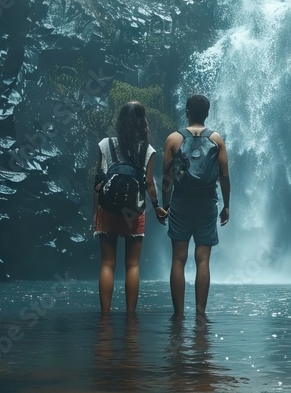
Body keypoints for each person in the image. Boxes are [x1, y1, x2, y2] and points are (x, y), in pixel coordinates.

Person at [158, 94, 230, 320]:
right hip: (207, 202)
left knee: (178, 258)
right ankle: (200, 314)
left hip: (181, 202)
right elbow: (225, 176)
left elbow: (167, 178)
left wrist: (166, 204)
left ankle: (178, 314)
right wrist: (226, 206)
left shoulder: (173, 139)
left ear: (187, 111)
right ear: (207, 113)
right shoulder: (217, 139)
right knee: (203, 259)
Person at [92, 101, 165, 315]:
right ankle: (130, 316)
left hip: (107, 209)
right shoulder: (147, 149)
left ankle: (105, 315)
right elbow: (149, 183)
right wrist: (157, 206)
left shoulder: (105, 144)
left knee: (107, 264)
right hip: (134, 211)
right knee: (132, 265)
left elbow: (99, 180)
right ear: (143, 122)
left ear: (120, 120)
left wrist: (95, 212)